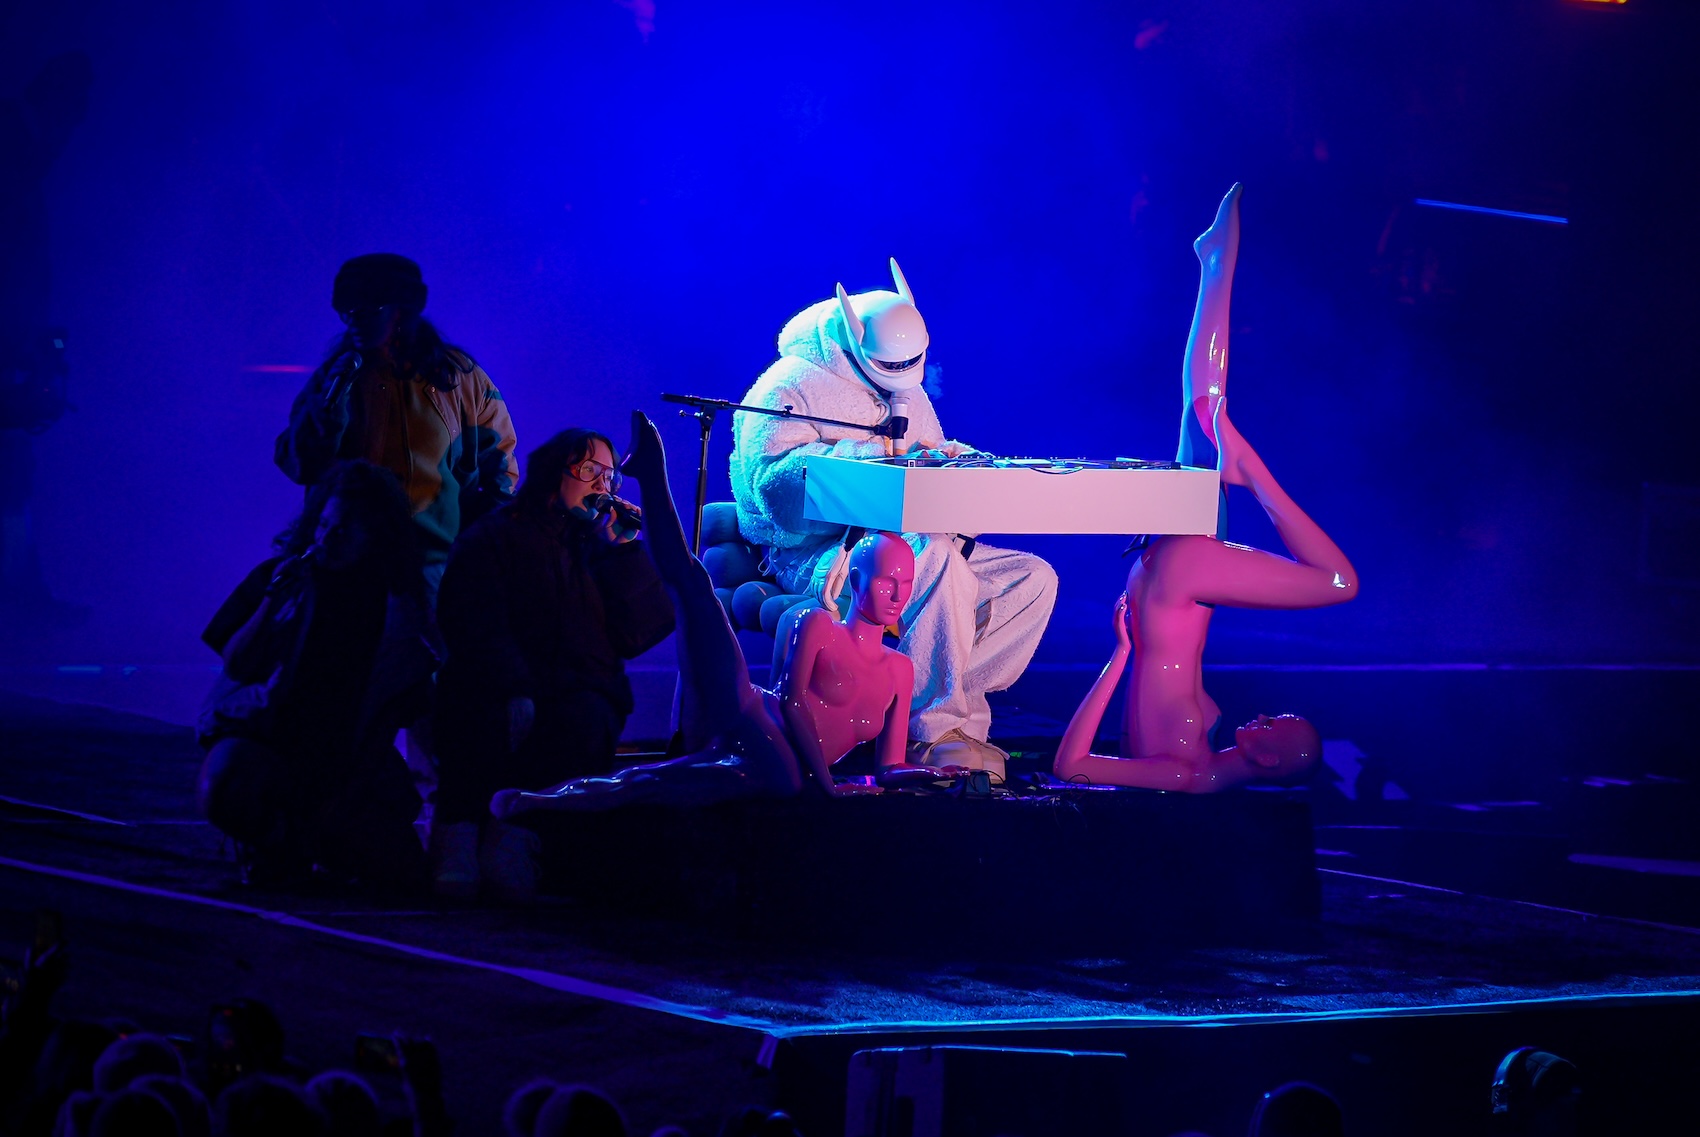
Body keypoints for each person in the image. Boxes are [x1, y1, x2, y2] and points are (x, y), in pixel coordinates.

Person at [491, 411, 956, 821]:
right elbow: (791, 704)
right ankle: (651, 472)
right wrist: (825, 785)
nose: (898, 595)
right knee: (694, 583)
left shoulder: (900, 669)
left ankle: (534, 804)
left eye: (905, 584)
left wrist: (936, 772)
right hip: (751, 714)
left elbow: (890, 767)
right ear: (854, 579)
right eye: (884, 581)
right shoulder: (815, 624)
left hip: (783, 766)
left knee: (666, 782)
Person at [1052, 185, 1359, 792]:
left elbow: (1071, 766)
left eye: (1270, 727)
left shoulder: (1185, 774)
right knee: (1204, 408)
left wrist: (1119, 655)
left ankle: (1252, 471)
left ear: (1267, 762)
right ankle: (1215, 264)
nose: (1261, 716)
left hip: (1180, 582)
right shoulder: (1202, 755)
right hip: (1172, 586)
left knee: (1338, 583)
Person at [728, 261, 1057, 778]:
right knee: (936, 558)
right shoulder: (789, 385)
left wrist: (954, 461)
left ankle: (943, 702)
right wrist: (873, 455)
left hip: (911, 541)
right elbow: (774, 491)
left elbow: (926, 452)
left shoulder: (909, 386)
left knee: (1031, 579)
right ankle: (931, 731)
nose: (903, 373)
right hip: (820, 552)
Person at [429, 428, 675, 899]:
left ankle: (519, 840)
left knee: (584, 720)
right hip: (499, 683)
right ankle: (459, 832)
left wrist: (625, 552)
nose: (602, 484)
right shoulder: (496, 535)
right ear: (553, 472)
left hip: (574, 692)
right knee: (481, 719)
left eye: (610, 475)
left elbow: (638, 634)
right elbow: (473, 622)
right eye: (589, 469)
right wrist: (515, 686)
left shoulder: (597, 545)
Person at [197, 461, 435, 888]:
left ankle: (306, 841)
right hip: (268, 740)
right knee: (226, 785)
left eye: (343, 531)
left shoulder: (397, 611)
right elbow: (239, 664)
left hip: (344, 756)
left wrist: (352, 789)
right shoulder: (280, 579)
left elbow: (391, 713)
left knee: (400, 873)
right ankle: (279, 841)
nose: (326, 539)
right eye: (323, 525)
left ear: (374, 537)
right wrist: (272, 601)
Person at [274, 253, 519, 597]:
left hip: (431, 566)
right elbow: (299, 464)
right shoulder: (336, 377)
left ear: (401, 311)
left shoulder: (459, 377)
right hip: (347, 566)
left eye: (370, 310)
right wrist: (327, 410)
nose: (355, 321)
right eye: (348, 312)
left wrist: (478, 547)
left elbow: (500, 468)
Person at [0, 52, 93, 629]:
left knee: (14, 471)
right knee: (12, 472)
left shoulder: (21, 156)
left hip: (17, 349)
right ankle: (22, 603)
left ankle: (22, 598)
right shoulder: (13, 153)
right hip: (12, 350)